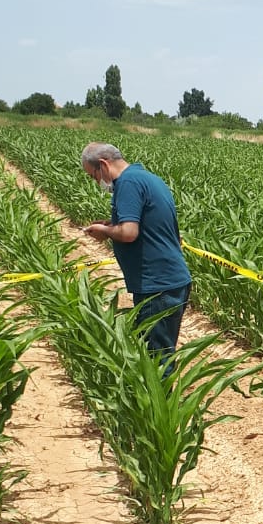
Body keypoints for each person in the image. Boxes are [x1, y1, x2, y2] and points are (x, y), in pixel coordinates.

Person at [80, 142, 193, 362]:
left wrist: (104, 231)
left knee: (156, 361)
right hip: (170, 281)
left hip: (157, 285)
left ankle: (160, 398)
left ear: (103, 165)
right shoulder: (148, 178)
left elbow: (129, 232)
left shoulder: (128, 183)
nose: (97, 182)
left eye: (94, 176)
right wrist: (112, 224)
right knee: (157, 353)